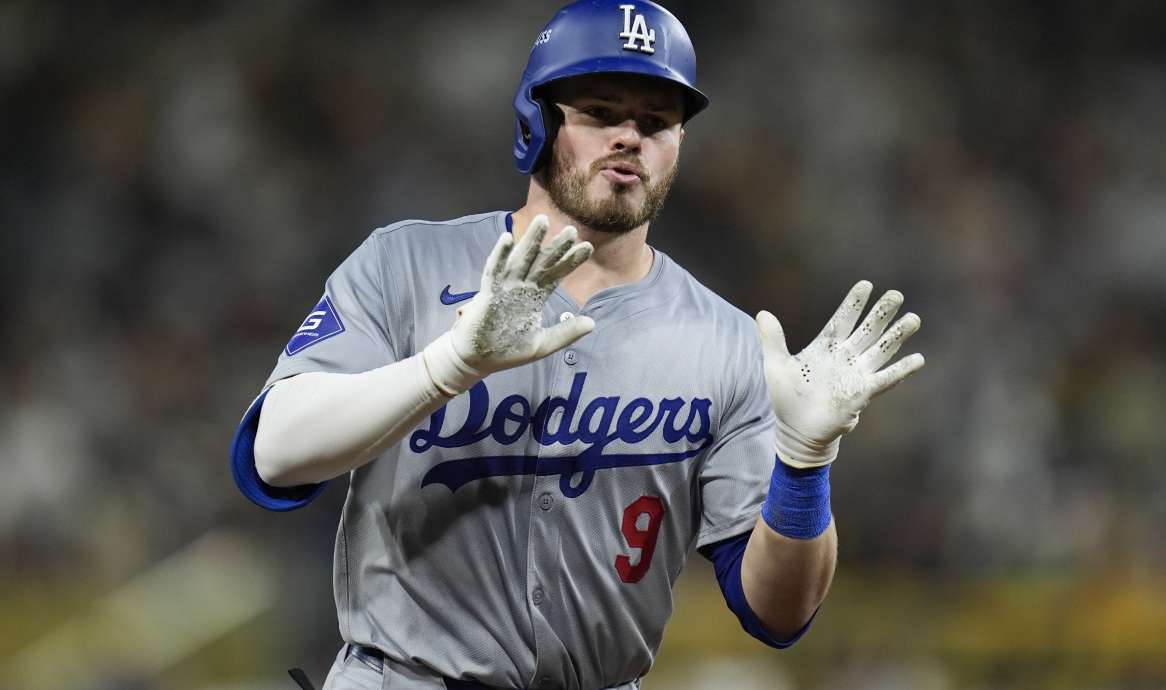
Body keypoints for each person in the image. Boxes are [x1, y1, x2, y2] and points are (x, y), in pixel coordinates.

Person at [229, 1, 924, 689]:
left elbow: (779, 613)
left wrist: (805, 468)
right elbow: (275, 454)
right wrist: (446, 367)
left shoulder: (728, 341)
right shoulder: (404, 265)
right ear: (537, 122)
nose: (629, 137)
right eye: (600, 112)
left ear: (679, 144)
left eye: (655, 122)